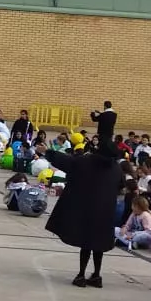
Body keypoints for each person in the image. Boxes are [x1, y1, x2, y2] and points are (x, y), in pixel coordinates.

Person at [44, 107, 121, 287]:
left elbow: (68, 162)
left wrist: (49, 153)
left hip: (89, 210)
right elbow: (121, 186)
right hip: (106, 212)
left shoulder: (88, 162)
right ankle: (97, 275)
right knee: (99, 245)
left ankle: (81, 274)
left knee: (86, 244)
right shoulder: (116, 169)